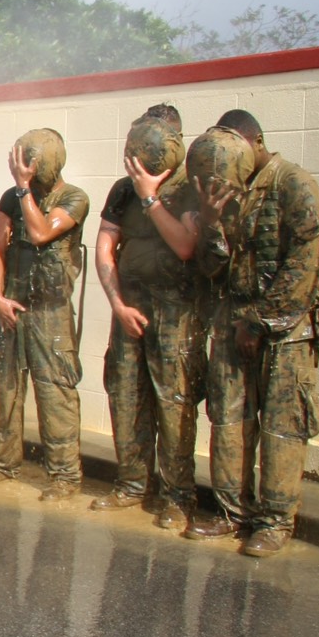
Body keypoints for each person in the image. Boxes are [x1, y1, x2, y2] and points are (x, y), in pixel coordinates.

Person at [184, 111, 319, 557]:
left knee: (282, 430)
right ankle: (231, 512)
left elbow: (303, 266)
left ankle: (274, 521)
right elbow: (213, 268)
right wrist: (210, 217)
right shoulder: (227, 189)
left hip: (284, 333)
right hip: (232, 325)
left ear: (258, 142)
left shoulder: (294, 184)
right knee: (228, 423)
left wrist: (260, 322)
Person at [92, 111, 205, 527]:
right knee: (125, 394)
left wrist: (150, 197)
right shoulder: (122, 191)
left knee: (173, 401)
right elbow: (105, 244)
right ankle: (132, 483)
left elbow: (186, 247)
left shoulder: (189, 190)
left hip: (175, 309)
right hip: (130, 305)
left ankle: (178, 496)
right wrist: (118, 304)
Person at [0, 128, 89, 500]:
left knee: (55, 395)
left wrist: (23, 190)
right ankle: (5, 463)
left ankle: (65, 477)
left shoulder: (74, 198)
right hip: (12, 308)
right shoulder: (11, 198)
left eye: (31, 165)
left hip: (50, 314)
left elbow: (40, 233)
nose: (26, 172)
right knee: (7, 389)